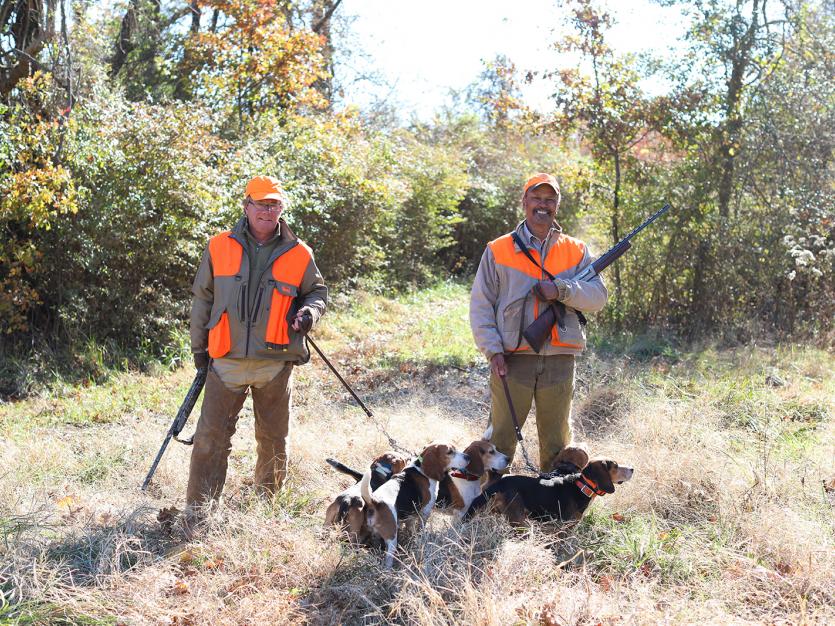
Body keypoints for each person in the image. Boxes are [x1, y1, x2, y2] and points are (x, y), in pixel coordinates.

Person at [186, 175, 327, 511]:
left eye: (274, 204)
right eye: (260, 203)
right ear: (246, 205)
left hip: (274, 362)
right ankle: (199, 512)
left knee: (273, 441)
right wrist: (199, 348)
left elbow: (317, 292)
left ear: (281, 209)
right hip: (226, 359)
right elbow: (202, 298)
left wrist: (308, 313)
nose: (267, 210)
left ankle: (264, 511)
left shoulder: (299, 252)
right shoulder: (219, 245)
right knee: (210, 441)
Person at [469, 173, 607, 471]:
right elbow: (481, 305)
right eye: (537, 198)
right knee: (501, 439)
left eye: (550, 199)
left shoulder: (576, 249)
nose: (543, 205)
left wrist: (561, 289)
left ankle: (553, 506)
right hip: (512, 357)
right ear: (524, 202)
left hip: (559, 358)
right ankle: (487, 503)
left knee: (557, 442)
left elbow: (597, 298)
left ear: (557, 205)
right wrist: (493, 350)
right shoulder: (498, 249)